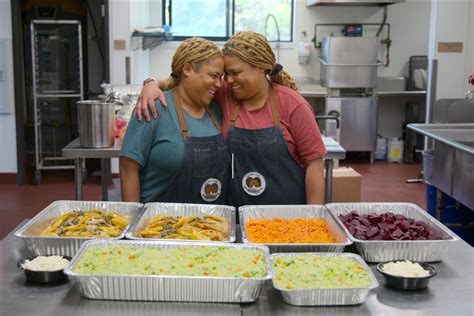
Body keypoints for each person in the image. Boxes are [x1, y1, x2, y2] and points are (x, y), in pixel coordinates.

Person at [135, 31, 326, 207]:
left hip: (288, 217)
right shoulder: (227, 94)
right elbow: (182, 83)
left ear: (261, 67)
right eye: (226, 74)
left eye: (235, 73)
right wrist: (151, 83)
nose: (228, 80)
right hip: (237, 213)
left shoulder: (292, 105)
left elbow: (315, 165)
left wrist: (312, 219)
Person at [119, 37, 229, 204]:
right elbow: (128, 167)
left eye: (221, 77)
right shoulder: (154, 107)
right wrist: (133, 218)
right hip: (160, 224)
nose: (219, 84)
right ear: (187, 70)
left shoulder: (216, 110)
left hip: (210, 225)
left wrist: (153, 81)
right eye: (213, 75)